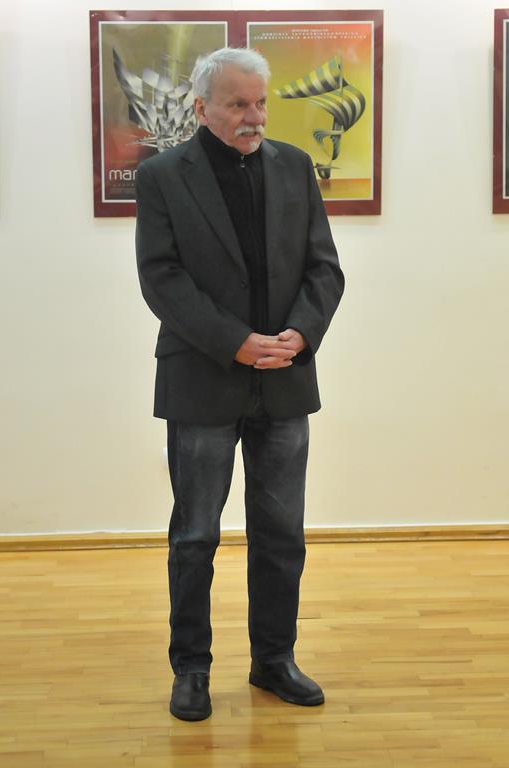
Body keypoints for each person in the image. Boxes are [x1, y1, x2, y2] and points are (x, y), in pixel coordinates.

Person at [135, 47, 344, 722]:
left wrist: (301, 334)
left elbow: (324, 268)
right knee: (195, 535)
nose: (254, 117)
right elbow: (161, 277)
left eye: (260, 103)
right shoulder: (162, 176)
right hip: (202, 378)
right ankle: (191, 669)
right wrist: (235, 341)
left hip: (284, 379)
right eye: (238, 105)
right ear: (201, 108)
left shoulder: (295, 166)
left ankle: (274, 660)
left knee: (282, 534)